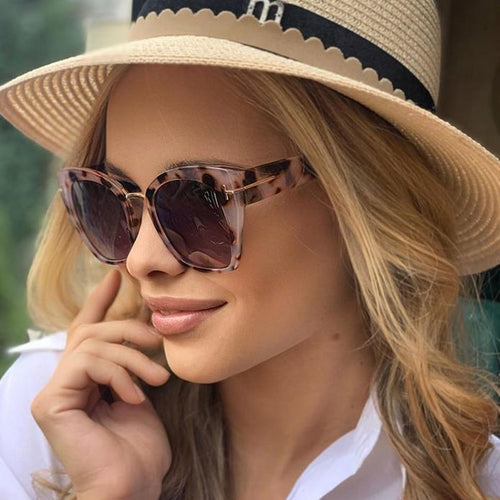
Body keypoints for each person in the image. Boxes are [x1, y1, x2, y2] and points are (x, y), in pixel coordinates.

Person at [0, 1, 499, 499]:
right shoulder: (51, 418)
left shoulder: (476, 485)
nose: (141, 258)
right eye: (109, 198)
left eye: (201, 200)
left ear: (363, 201)